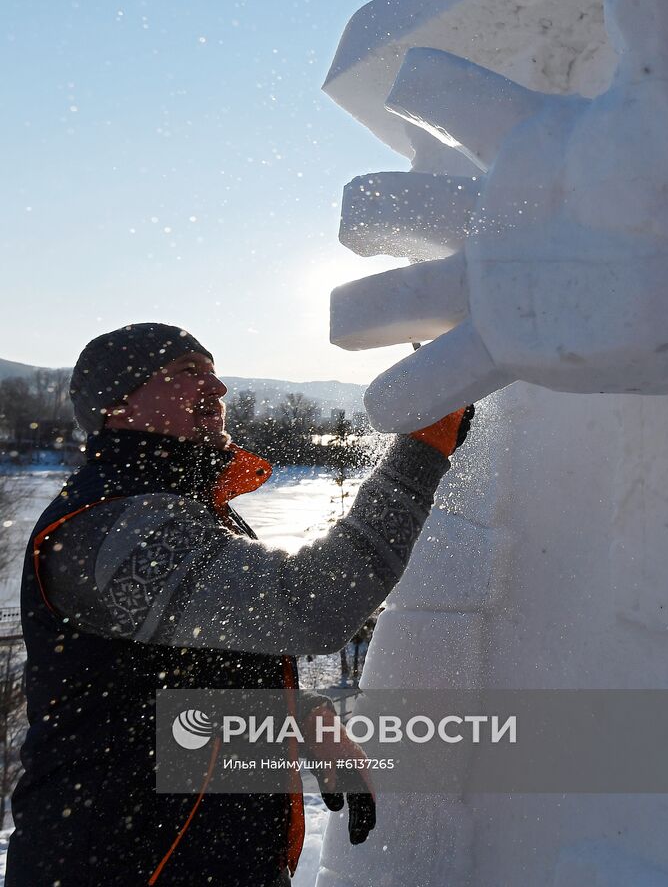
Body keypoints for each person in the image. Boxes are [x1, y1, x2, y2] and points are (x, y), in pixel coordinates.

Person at [6, 323, 472, 886]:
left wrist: (299, 713)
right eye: (185, 373)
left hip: (205, 858)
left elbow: (165, 687)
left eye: (212, 369)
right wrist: (421, 451)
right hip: (124, 863)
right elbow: (310, 606)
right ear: (117, 404)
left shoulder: (181, 508)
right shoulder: (108, 531)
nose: (218, 386)